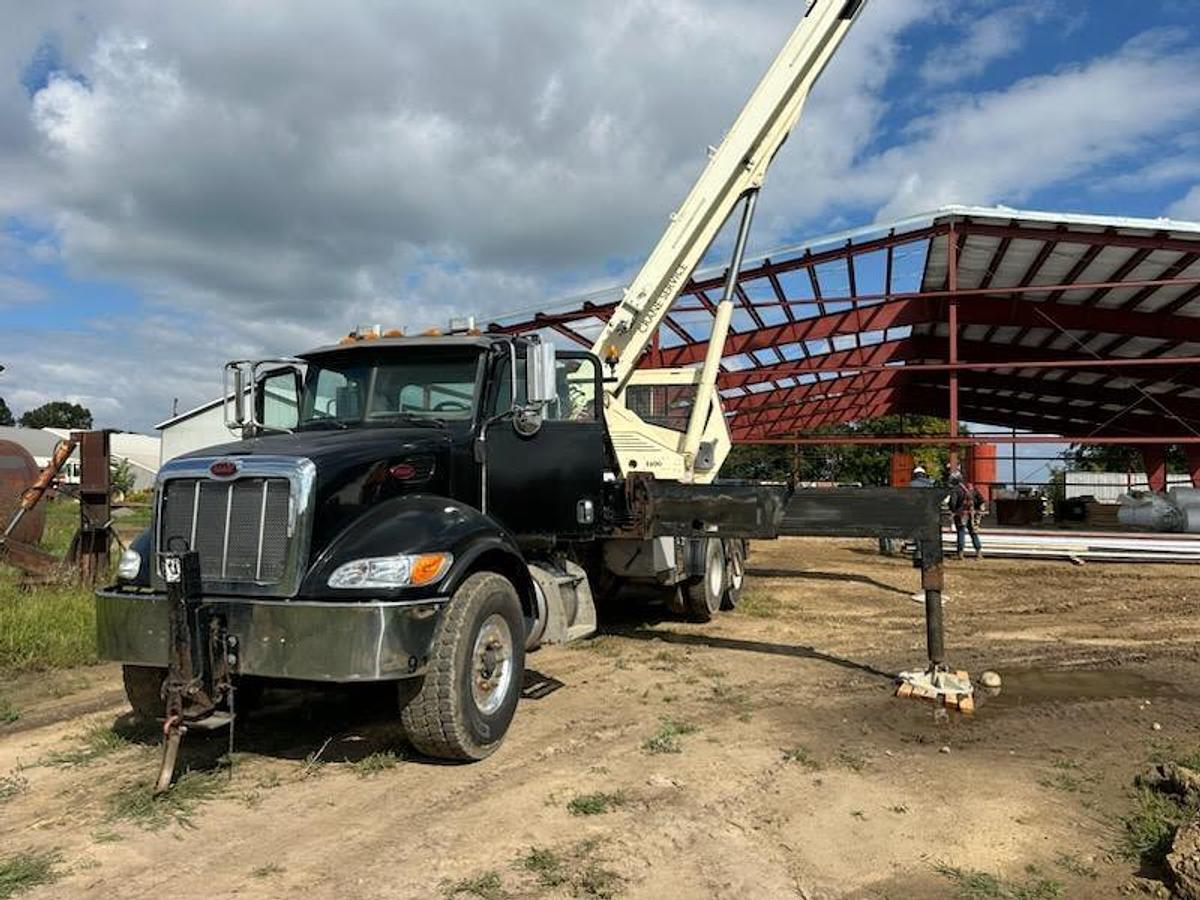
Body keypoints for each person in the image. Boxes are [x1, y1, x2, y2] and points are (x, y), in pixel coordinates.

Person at [948, 469, 984, 560]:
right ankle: (978, 552)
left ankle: (960, 554)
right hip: (972, 514)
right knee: (973, 533)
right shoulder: (972, 488)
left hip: (960, 515)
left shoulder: (955, 490)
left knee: (961, 532)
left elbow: (952, 503)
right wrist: (978, 510)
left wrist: (953, 511)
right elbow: (981, 500)